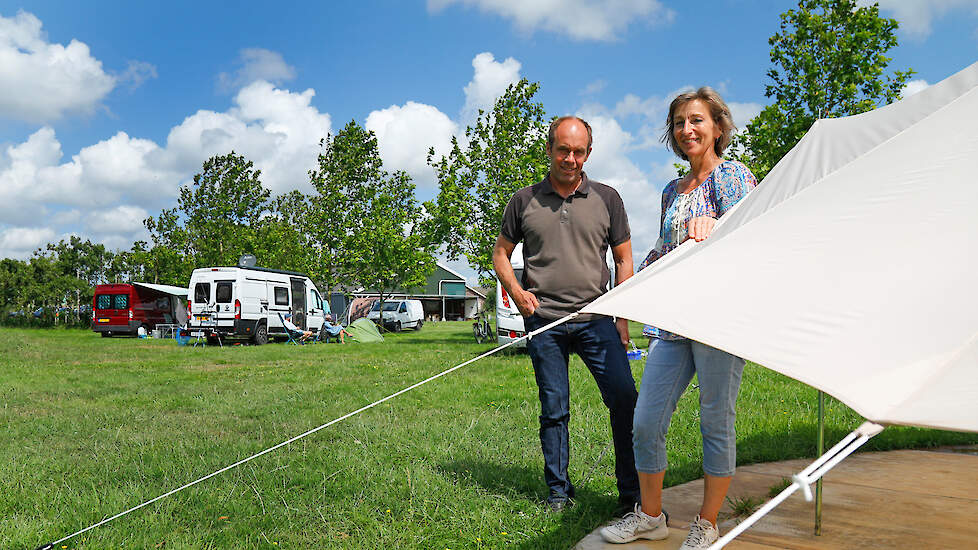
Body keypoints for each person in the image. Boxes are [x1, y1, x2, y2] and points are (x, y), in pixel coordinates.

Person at [600, 88, 757, 548]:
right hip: (671, 324)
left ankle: (707, 523)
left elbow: (751, 238)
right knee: (646, 420)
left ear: (718, 127)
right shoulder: (671, 189)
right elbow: (665, 249)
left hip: (716, 322)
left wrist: (718, 228)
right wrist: (634, 278)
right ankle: (651, 515)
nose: (686, 130)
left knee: (716, 421)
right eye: (678, 123)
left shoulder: (733, 176)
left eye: (696, 120)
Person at [492, 116, 641, 515]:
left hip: (597, 319)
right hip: (546, 322)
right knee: (554, 408)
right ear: (549, 150)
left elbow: (625, 258)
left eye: (578, 152)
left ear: (588, 153)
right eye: (563, 150)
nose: (570, 158)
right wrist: (518, 293)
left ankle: (632, 494)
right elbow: (501, 254)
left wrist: (621, 317)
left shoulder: (608, 198)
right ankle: (558, 491)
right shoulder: (524, 200)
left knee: (626, 400)